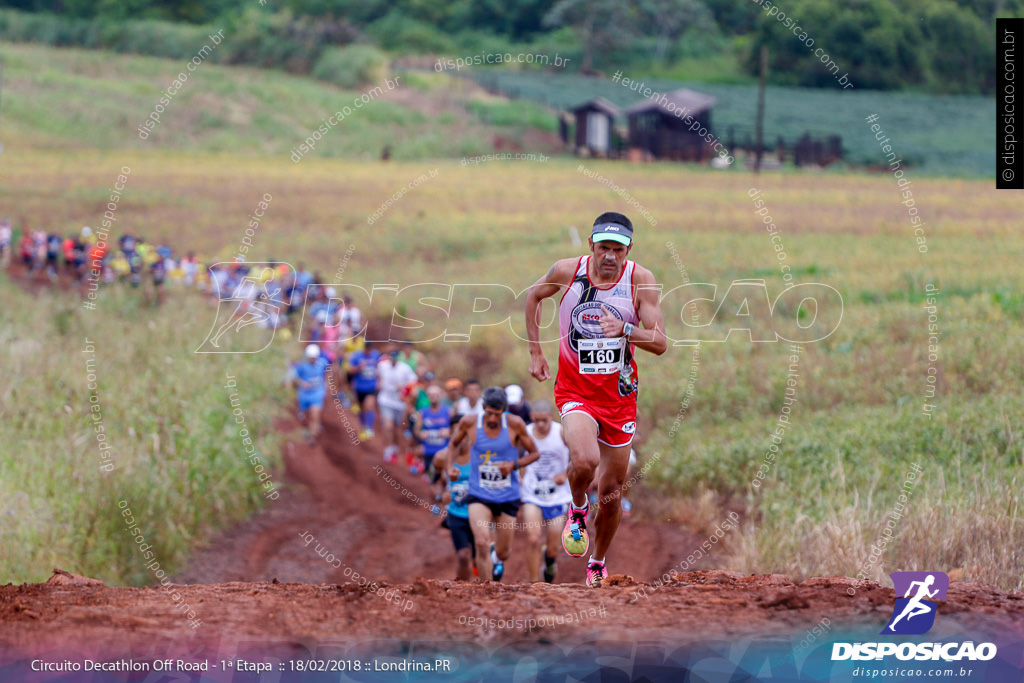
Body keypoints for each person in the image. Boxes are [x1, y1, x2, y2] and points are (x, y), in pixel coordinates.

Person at [525, 211, 667, 587]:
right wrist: (536, 353)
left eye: (617, 249)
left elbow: (660, 343)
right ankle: (576, 508)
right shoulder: (567, 271)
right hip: (575, 391)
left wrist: (626, 329)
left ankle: (598, 562)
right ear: (591, 245)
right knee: (585, 461)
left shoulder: (641, 280)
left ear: (628, 250)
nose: (610, 256)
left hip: (620, 398)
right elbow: (533, 296)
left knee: (611, 493)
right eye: (603, 247)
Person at [449, 386, 540, 582]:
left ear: (504, 411)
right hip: (479, 493)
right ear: (483, 407)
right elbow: (453, 444)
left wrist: (514, 465)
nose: (492, 419)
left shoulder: (515, 424)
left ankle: (494, 554)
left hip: (508, 496)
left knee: (504, 552)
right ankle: (486, 590)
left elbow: (535, 453)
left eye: (497, 415)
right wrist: (451, 467)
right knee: (481, 541)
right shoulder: (469, 422)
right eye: (489, 413)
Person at [520, 400, 572, 583]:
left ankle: (550, 561)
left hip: (558, 494)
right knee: (533, 539)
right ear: (532, 418)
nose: (541, 425)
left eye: (544, 420)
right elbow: (517, 456)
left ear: (551, 418)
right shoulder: (525, 432)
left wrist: (566, 473)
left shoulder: (561, 432)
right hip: (531, 492)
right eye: (537, 420)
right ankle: (535, 583)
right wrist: (519, 475)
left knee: (553, 547)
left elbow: (579, 456)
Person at [432, 422, 474, 580]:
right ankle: (463, 591)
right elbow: (434, 483)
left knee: (479, 556)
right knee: (463, 555)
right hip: (455, 512)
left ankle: (486, 588)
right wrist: (441, 496)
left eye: (463, 435)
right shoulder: (441, 458)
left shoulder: (480, 455)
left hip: (478, 513)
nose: (460, 439)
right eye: (457, 435)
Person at [376, 343, 417, 463]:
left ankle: (395, 448)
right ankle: (388, 450)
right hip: (385, 400)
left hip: (399, 403)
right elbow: (378, 376)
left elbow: (413, 382)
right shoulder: (382, 365)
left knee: (397, 428)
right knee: (388, 426)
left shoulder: (405, 368)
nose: (393, 359)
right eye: (391, 356)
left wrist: (404, 388)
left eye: (395, 357)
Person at [289, 344, 331, 445]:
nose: (313, 359)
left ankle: (313, 437)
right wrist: (301, 383)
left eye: (315, 357)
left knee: (315, 415)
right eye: (311, 357)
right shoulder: (302, 365)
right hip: (304, 395)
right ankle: (306, 428)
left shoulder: (322, 363)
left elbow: (328, 371)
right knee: (305, 416)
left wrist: (327, 383)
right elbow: (294, 377)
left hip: (316, 394)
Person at [347, 340, 381, 442]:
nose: (368, 350)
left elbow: (379, 369)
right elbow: (350, 370)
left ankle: (369, 428)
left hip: (371, 387)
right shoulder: (357, 356)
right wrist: (359, 367)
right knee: (361, 408)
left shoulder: (376, 355)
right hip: (360, 387)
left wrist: (379, 381)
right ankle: (363, 426)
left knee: (369, 406)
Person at [415, 384, 451, 479]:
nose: (433, 397)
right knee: (429, 479)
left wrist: (449, 432)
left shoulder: (448, 411)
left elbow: (456, 430)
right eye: (431, 395)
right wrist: (420, 434)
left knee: (443, 477)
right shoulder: (422, 412)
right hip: (428, 451)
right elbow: (416, 431)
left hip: (444, 451)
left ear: (440, 396)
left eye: (436, 395)